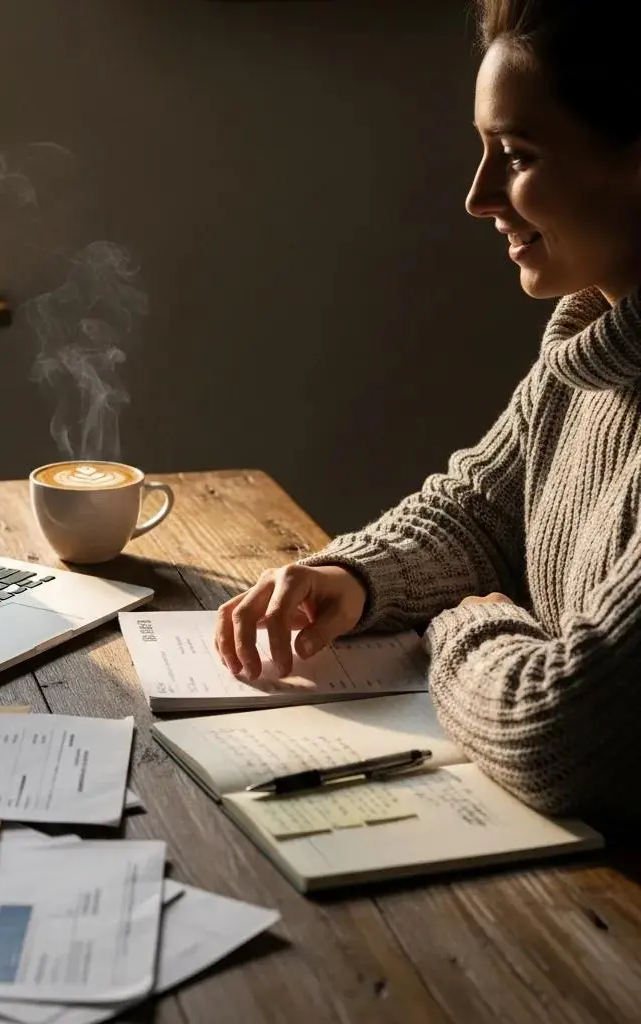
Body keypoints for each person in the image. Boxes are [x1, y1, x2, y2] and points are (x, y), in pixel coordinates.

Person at [215, 0, 641, 827]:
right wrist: (352, 578)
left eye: (516, 156)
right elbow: (482, 513)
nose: (479, 197)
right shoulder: (595, 338)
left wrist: (469, 628)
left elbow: (563, 731)